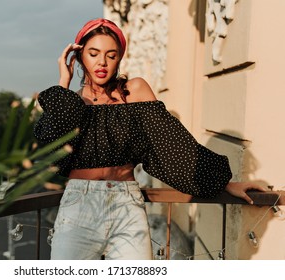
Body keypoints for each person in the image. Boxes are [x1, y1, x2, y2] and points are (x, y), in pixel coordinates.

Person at [34, 18, 266, 260]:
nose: (102, 62)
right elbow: (51, 149)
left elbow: (172, 145)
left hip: (126, 205)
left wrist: (224, 184)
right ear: (80, 57)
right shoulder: (70, 104)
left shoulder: (134, 91)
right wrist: (63, 82)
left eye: (111, 55)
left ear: (119, 59)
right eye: (93, 54)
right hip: (78, 207)